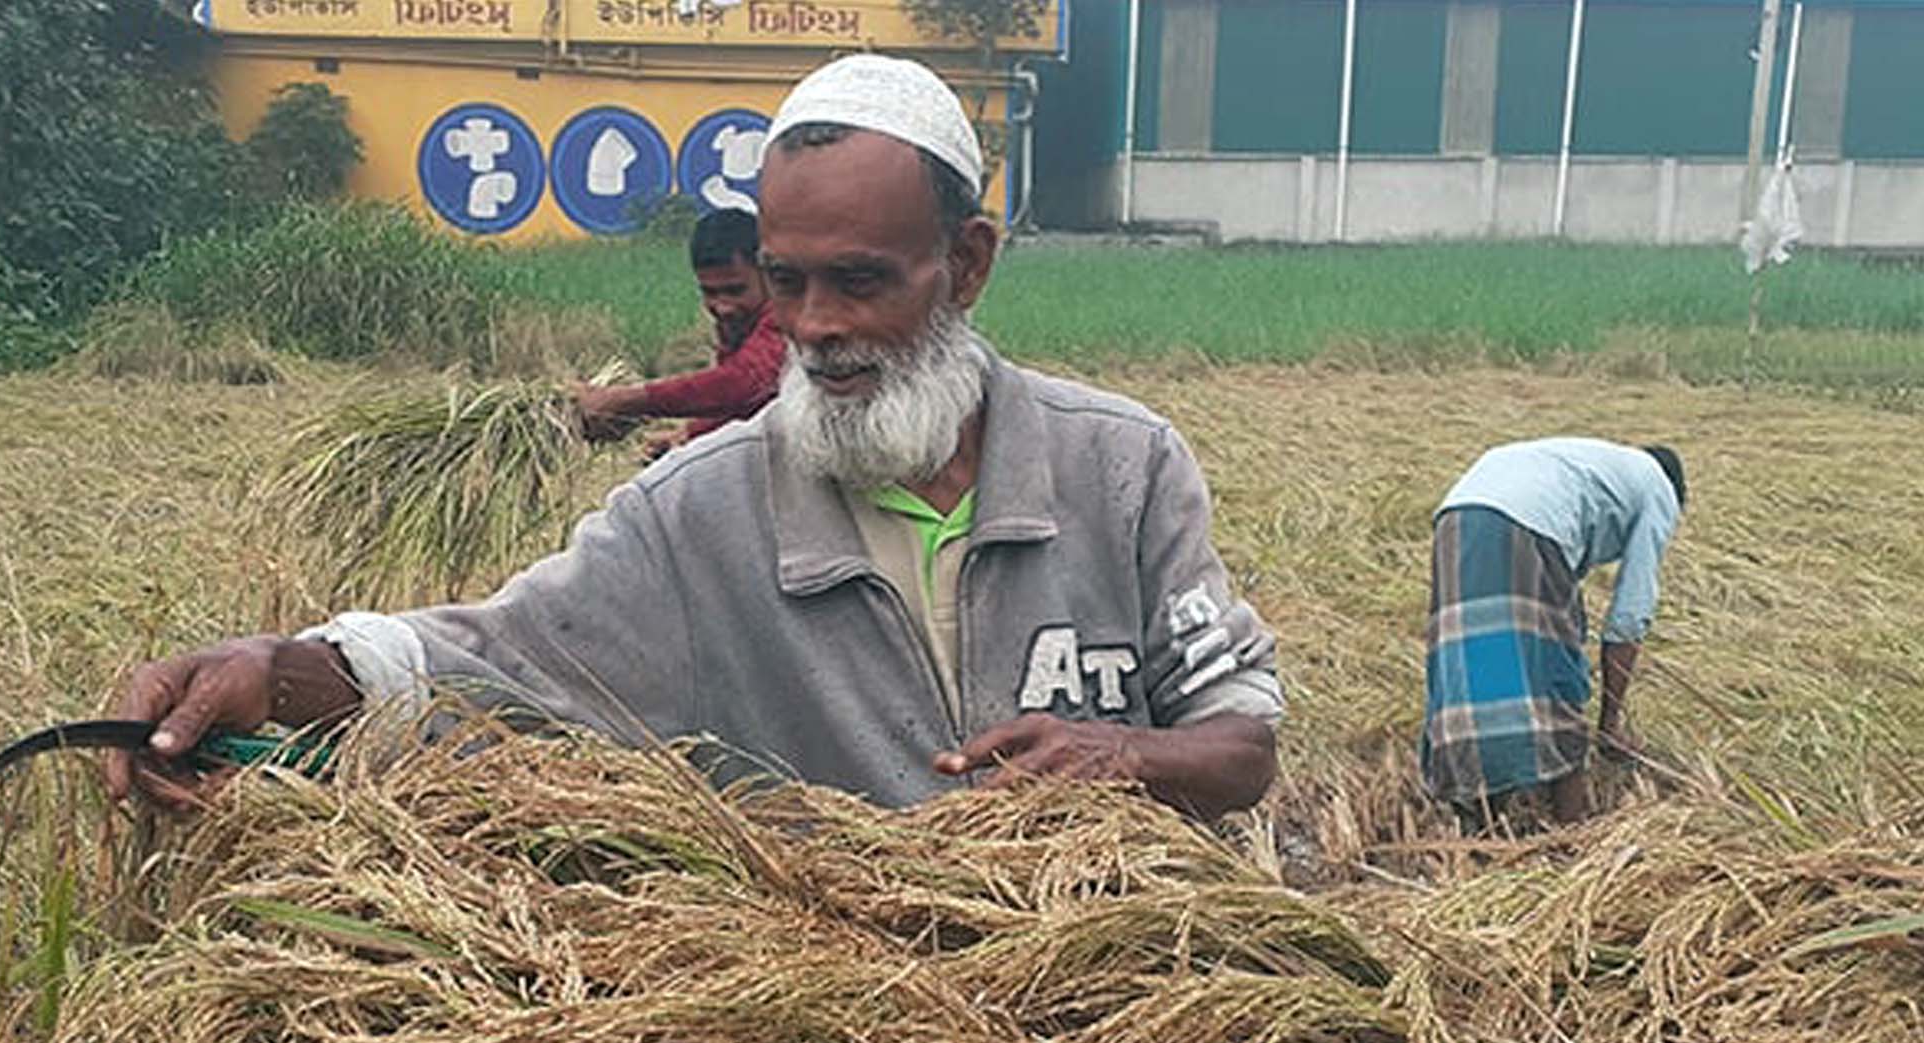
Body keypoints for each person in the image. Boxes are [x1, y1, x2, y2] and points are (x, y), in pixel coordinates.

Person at [105, 54, 1282, 820]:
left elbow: (1240, 743)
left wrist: (1117, 756)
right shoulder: (702, 512)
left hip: (1130, 994)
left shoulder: (1119, 467)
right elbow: (488, 661)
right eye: (788, 282)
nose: (815, 329)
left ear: (965, 265)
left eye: (861, 282)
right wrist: (278, 669)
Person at [1421, 437, 1686, 824]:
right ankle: (1570, 833)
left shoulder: (1596, 466)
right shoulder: (1659, 489)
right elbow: (1630, 614)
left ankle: (1478, 824)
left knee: (1477, 669)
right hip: (1527, 524)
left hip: (1457, 515)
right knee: (1555, 673)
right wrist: (1610, 723)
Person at [574, 207, 785, 461]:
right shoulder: (738, 322)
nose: (723, 307)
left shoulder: (790, 312)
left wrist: (624, 400)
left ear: (768, 273)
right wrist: (690, 435)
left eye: (735, 290)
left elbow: (743, 383)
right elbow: (748, 406)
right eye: (710, 293)